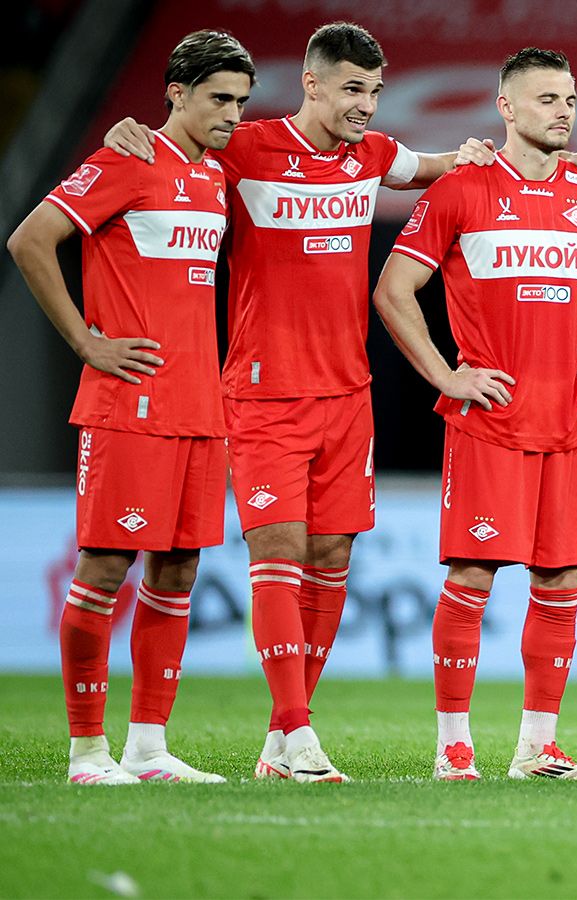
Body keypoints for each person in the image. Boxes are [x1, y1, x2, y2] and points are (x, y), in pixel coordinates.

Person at [101, 22, 577, 783]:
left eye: (374, 90)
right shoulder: (245, 148)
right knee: (279, 551)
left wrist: (540, 160)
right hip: (263, 389)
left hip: (349, 395)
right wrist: (129, 131)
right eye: (352, 88)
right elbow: (181, 141)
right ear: (309, 84)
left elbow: (435, 165)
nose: (367, 104)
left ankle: (281, 746)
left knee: (332, 558)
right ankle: (299, 731)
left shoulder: (370, 155)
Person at [373, 47, 577, 781]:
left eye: (570, 98)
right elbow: (393, 289)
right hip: (490, 422)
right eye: (547, 99)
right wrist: (445, 375)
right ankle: (453, 747)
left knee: (560, 583)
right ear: (506, 108)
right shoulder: (461, 188)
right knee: (473, 578)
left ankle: (536, 749)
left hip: (569, 421)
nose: (564, 110)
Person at [7, 30, 255, 784]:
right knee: (105, 567)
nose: (232, 114)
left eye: (241, 102)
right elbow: (30, 240)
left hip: (199, 406)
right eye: (219, 98)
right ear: (176, 93)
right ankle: (87, 752)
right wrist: (86, 341)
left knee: (178, 571)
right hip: (130, 405)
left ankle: (148, 748)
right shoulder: (126, 159)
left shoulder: (213, 174)